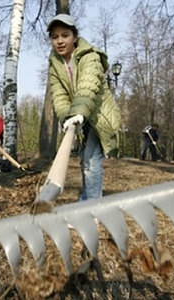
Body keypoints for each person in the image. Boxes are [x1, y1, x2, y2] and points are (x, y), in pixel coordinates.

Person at [47, 14, 121, 201]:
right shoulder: (55, 64)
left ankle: (92, 208)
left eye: (65, 35)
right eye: (55, 37)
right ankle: (87, 200)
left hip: (99, 116)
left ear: (74, 37)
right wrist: (67, 117)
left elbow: (87, 86)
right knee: (85, 161)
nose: (60, 41)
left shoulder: (90, 56)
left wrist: (78, 112)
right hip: (81, 116)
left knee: (91, 161)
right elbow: (59, 95)